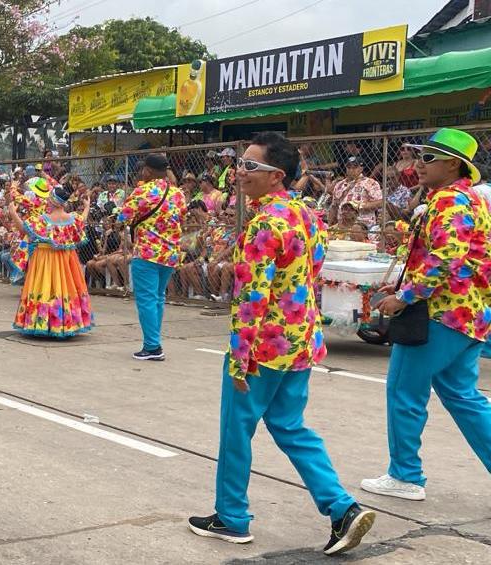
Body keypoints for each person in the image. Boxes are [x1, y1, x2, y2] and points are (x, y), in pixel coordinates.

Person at [189, 132, 375, 556]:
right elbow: (310, 271)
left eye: (250, 166)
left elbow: (252, 298)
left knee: (237, 430)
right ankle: (342, 508)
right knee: (290, 426)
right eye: (241, 164)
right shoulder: (307, 215)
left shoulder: (263, 225)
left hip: (263, 347)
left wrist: (239, 358)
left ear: (276, 176)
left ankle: (232, 517)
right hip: (301, 340)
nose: (240, 172)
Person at [365, 128, 491, 502]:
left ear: (454, 163)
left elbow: (446, 259)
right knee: (463, 396)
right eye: (420, 155)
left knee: (404, 390)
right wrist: (403, 286)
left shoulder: (448, 201)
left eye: (428, 158)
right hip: (469, 315)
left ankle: (405, 475)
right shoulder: (470, 200)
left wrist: (404, 297)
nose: (418, 164)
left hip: (440, 315)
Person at [117, 153, 187, 361]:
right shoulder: (178, 194)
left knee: (147, 300)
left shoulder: (143, 191)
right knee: (158, 298)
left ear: (147, 170)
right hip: (170, 253)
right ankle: (154, 341)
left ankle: (152, 346)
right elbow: (181, 216)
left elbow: (124, 215)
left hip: (147, 252)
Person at [6, 183, 92, 338]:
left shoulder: (42, 220)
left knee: (44, 287)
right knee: (64, 287)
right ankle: (65, 322)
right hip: (67, 260)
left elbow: (24, 230)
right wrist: (87, 206)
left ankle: (42, 322)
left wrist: (13, 213)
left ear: (52, 201)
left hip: (45, 258)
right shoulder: (72, 219)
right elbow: (82, 221)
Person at [329, 156, 383, 229]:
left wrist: (360, 206)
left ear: (361, 168)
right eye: (349, 167)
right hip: (342, 224)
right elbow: (334, 206)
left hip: (363, 225)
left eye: (355, 167)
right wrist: (330, 224)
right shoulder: (339, 185)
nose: (351, 169)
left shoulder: (370, 183)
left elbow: (380, 202)